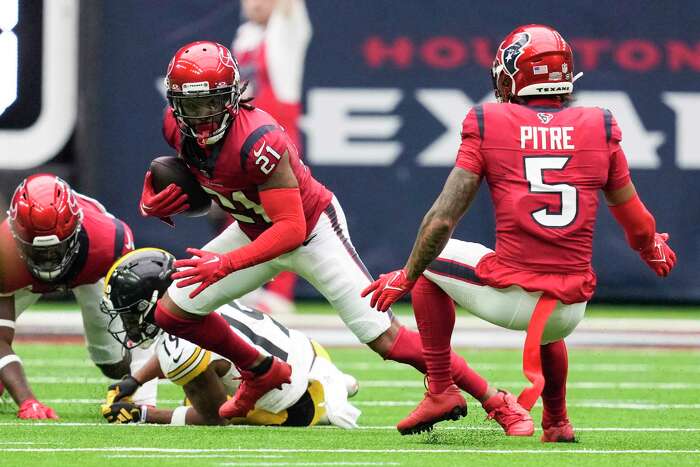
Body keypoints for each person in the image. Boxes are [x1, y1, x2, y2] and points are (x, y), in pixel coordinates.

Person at [138, 41, 532, 433]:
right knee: (173, 312)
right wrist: (160, 202)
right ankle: (261, 370)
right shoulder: (175, 127)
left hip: (310, 232)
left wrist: (226, 262)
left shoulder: (259, 141)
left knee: (388, 341)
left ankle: (496, 400)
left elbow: (290, 228)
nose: (200, 116)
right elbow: (223, 186)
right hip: (254, 229)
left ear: (232, 97)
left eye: (210, 103)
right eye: (190, 106)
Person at [363, 24, 677, 440]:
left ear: (514, 74)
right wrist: (652, 248)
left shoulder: (489, 121)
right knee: (552, 295)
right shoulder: (599, 125)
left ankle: (440, 388)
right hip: (569, 312)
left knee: (432, 261)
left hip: (514, 298)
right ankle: (557, 421)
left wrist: (407, 274)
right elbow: (634, 218)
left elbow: (441, 218)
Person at [99, 248, 360, 427]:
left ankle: (328, 401)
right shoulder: (199, 294)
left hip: (296, 403)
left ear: (151, 302)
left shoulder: (177, 349)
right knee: (204, 374)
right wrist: (135, 381)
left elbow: (214, 418)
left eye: (130, 314)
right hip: (308, 352)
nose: (128, 323)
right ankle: (337, 382)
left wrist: (144, 414)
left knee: (197, 398)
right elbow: (186, 338)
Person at [0, 174, 157, 419]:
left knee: (113, 364)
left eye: (56, 249)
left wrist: (146, 403)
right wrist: (27, 400)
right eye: (37, 251)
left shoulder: (109, 242)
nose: (48, 259)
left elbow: (141, 327)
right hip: (24, 277)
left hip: (90, 273)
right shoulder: (4, 252)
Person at [225, 0, 313, 314]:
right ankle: (244, 283)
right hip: (243, 134)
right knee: (236, 211)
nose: (255, 3)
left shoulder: (288, 29)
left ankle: (280, 293)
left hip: (277, 134)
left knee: (285, 212)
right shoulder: (245, 36)